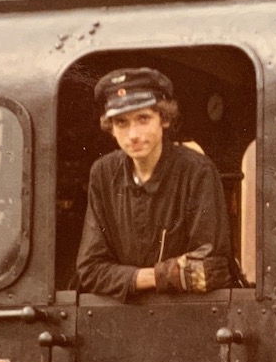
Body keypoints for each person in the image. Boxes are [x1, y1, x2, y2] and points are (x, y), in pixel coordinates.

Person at [76, 67, 232, 301]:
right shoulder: (103, 173)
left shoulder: (197, 171)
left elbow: (210, 267)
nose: (133, 135)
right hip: (123, 314)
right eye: (121, 122)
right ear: (111, 128)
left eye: (143, 119)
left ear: (164, 119)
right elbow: (90, 269)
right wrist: (164, 275)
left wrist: (125, 277)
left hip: (186, 312)